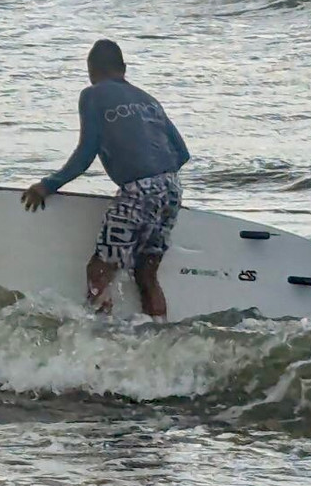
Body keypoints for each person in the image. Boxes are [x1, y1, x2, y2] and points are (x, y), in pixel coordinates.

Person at [21, 39, 190, 319]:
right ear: (123, 68)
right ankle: (159, 332)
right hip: (172, 187)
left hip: (138, 189)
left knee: (100, 270)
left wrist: (48, 184)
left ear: (91, 70)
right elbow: (182, 153)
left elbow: (86, 152)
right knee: (146, 273)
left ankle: (99, 335)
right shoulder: (148, 99)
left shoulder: (93, 95)